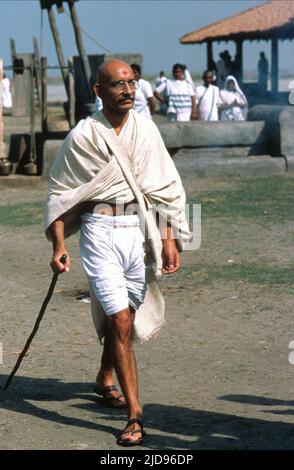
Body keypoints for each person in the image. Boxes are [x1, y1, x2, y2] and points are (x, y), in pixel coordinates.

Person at [45, 59, 190, 446]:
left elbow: (164, 188)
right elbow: (60, 194)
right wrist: (59, 243)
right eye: (117, 84)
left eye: (132, 82)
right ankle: (135, 415)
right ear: (98, 91)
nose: (128, 90)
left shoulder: (145, 130)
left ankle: (103, 377)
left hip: (137, 234)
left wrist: (169, 237)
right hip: (99, 235)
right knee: (122, 321)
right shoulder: (83, 136)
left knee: (123, 317)